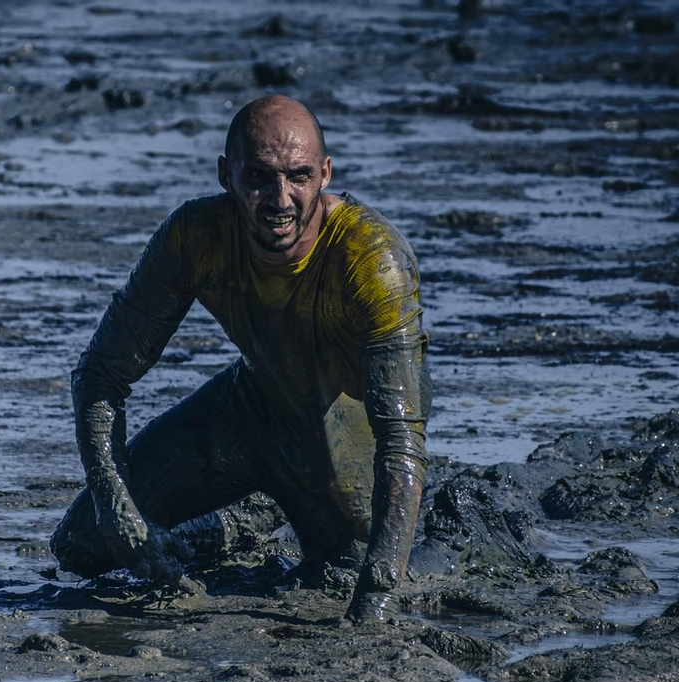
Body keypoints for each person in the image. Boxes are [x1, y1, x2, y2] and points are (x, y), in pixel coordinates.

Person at [48, 94, 430, 625]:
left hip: (336, 438)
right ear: (227, 175)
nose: (280, 200)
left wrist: (378, 599)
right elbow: (100, 374)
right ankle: (231, 522)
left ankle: (258, 512)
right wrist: (116, 508)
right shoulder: (194, 236)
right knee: (83, 544)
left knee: (342, 566)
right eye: (259, 177)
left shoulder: (373, 260)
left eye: (298, 177)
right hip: (247, 412)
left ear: (324, 174)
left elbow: (402, 441)